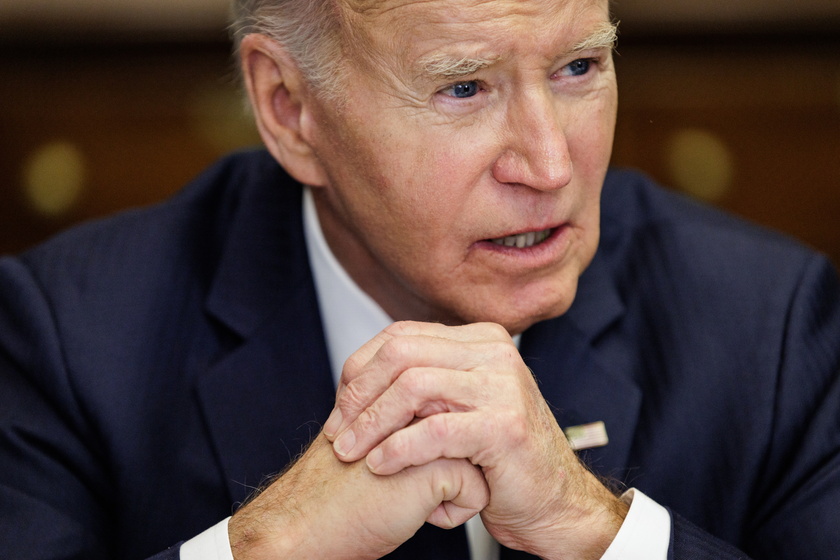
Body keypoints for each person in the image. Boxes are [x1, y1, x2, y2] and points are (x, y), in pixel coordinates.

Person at [0, 0, 838, 558]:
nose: (550, 165)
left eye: (578, 68)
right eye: (465, 87)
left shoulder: (771, 326)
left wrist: (594, 531)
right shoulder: (65, 340)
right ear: (289, 106)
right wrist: (270, 546)